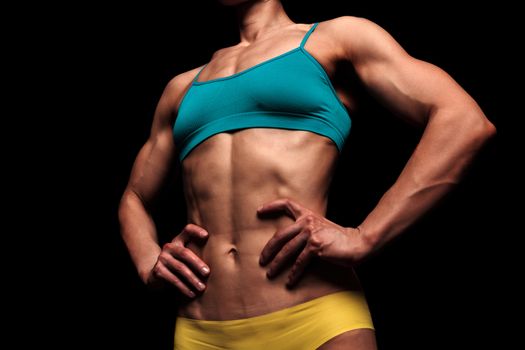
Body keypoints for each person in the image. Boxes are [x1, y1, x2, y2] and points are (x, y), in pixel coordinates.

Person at [118, 0, 496, 349]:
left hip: (317, 320)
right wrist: (148, 261)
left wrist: (365, 237)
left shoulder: (334, 38)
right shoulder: (181, 88)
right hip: (202, 334)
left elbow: (462, 120)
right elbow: (134, 197)